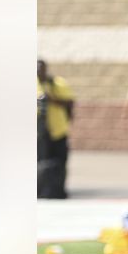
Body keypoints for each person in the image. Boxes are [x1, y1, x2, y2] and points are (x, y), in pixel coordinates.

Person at [36, 59, 75, 199]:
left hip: (58, 131)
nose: (38, 71)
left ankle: (59, 189)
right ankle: (41, 189)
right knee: (40, 163)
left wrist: (52, 99)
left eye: (41, 68)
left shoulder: (57, 83)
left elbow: (70, 103)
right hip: (39, 133)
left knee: (60, 162)